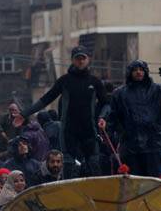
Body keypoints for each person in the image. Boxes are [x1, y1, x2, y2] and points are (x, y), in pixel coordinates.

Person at [13, 46, 109, 179]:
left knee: (94, 163)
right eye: (77, 58)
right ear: (72, 60)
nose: (80, 61)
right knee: (68, 164)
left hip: (90, 130)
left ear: (88, 60)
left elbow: (106, 103)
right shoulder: (65, 81)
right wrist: (24, 114)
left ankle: (97, 194)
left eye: (83, 58)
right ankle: (67, 193)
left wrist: (103, 117)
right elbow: (45, 100)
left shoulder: (95, 82)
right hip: (69, 131)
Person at [99, 60, 161, 179]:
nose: (138, 72)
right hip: (131, 149)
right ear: (129, 73)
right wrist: (107, 143)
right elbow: (112, 120)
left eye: (141, 70)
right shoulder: (119, 94)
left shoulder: (158, 91)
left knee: (160, 184)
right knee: (132, 185)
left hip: (156, 148)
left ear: (146, 72)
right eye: (135, 70)